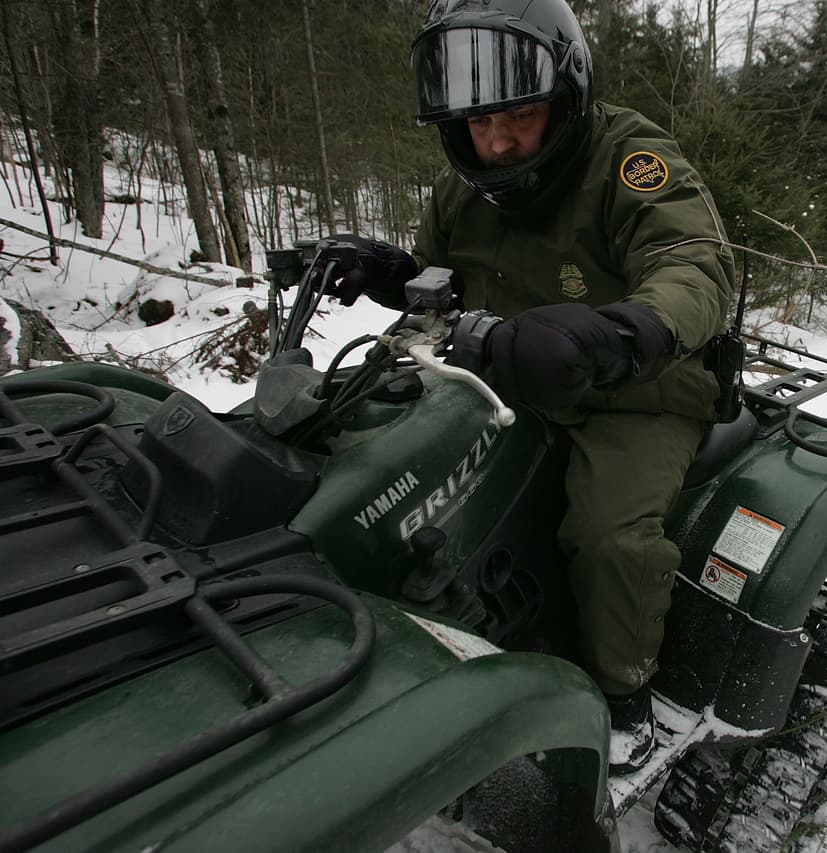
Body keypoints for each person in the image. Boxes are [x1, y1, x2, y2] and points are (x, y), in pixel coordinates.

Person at [313, 0, 735, 775]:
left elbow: (695, 264)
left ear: (564, 99)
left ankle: (623, 697)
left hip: (635, 388)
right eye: (478, 124)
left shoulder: (629, 158)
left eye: (518, 114)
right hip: (505, 373)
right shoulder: (466, 188)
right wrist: (391, 277)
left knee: (610, 538)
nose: (499, 141)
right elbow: (441, 280)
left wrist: (617, 333)